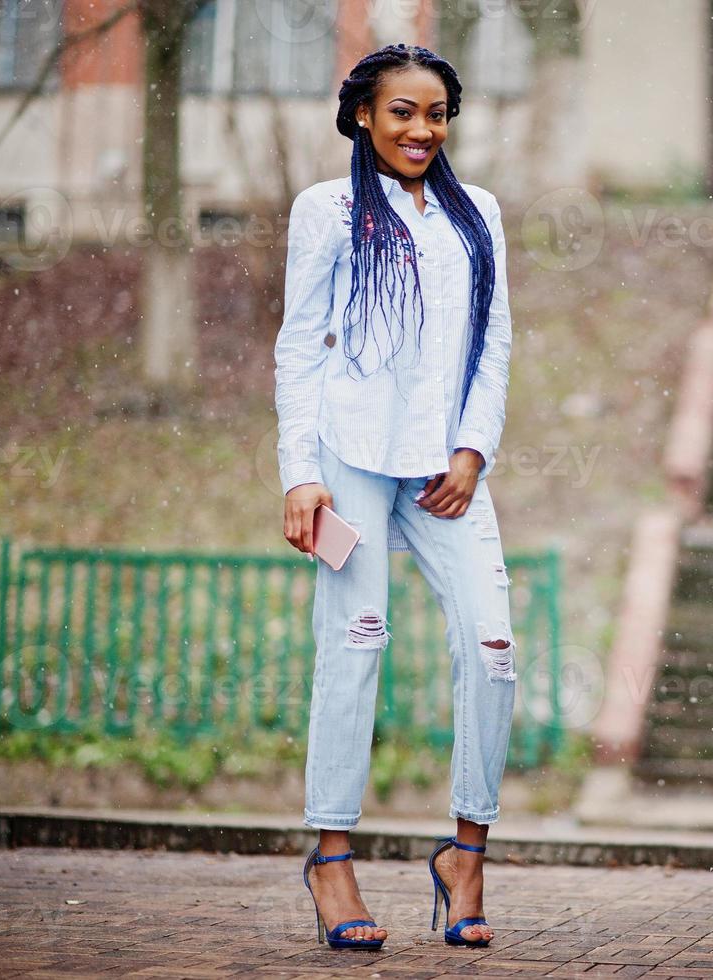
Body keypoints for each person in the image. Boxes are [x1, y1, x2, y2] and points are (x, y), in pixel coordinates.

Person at [274, 42, 515, 951]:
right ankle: (332, 858)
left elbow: (492, 345)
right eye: (403, 111)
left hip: (444, 473)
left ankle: (465, 852)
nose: (422, 128)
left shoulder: (477, 213)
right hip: (351, 460)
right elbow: (301, 348)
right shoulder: (328, 210)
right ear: (365, 118)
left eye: (436, 112)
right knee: (356, 641)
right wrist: (300, 472)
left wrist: (472, 450)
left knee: (493, 646)